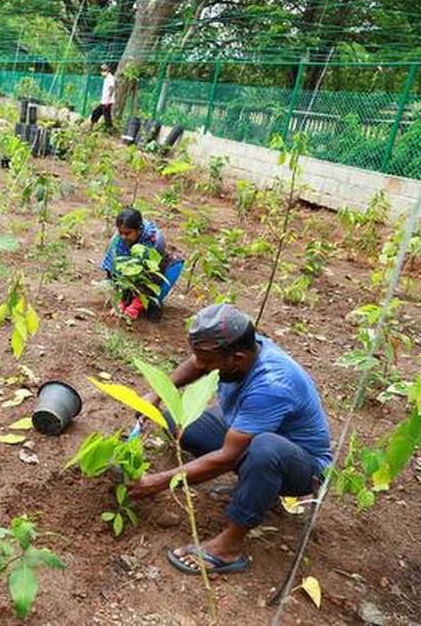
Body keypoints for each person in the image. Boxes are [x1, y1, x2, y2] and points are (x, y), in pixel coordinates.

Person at [128, 304, 333, 574]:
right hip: (249, 430)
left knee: (264, 451)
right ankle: (257, 489)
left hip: (302, 465)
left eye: (206, 360)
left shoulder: (272, 384)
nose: (200, 364)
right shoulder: (244, 349)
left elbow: (227, 458)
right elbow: (197, 363)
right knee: (178, 423)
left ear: (236, 358)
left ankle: (229, 548)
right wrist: (156, 394)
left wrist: (155, 483)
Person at [101, 207, 184, 321]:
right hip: (128, 282)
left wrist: (136, 305)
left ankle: (150, 301)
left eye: (127, 233)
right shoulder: (117, 240)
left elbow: (152, 275)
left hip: (152, 276)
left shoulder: (154, 241)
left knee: (176, 264)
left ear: (139, 230)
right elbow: (111, 271)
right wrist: (119, 301)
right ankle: (128, 298)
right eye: (121, 233)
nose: (123, 237)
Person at [89, 64, 116, 131]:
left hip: (107, 102)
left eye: (104, 70)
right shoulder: (106, 78)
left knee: (107, 117)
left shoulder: (110, 78)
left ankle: (110, 131)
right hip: (103, 101)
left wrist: (108, 100)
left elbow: (111, 89)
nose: (102, 72)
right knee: (95, 113)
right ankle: (91, 128)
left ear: (107, 70)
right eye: (102, 71)